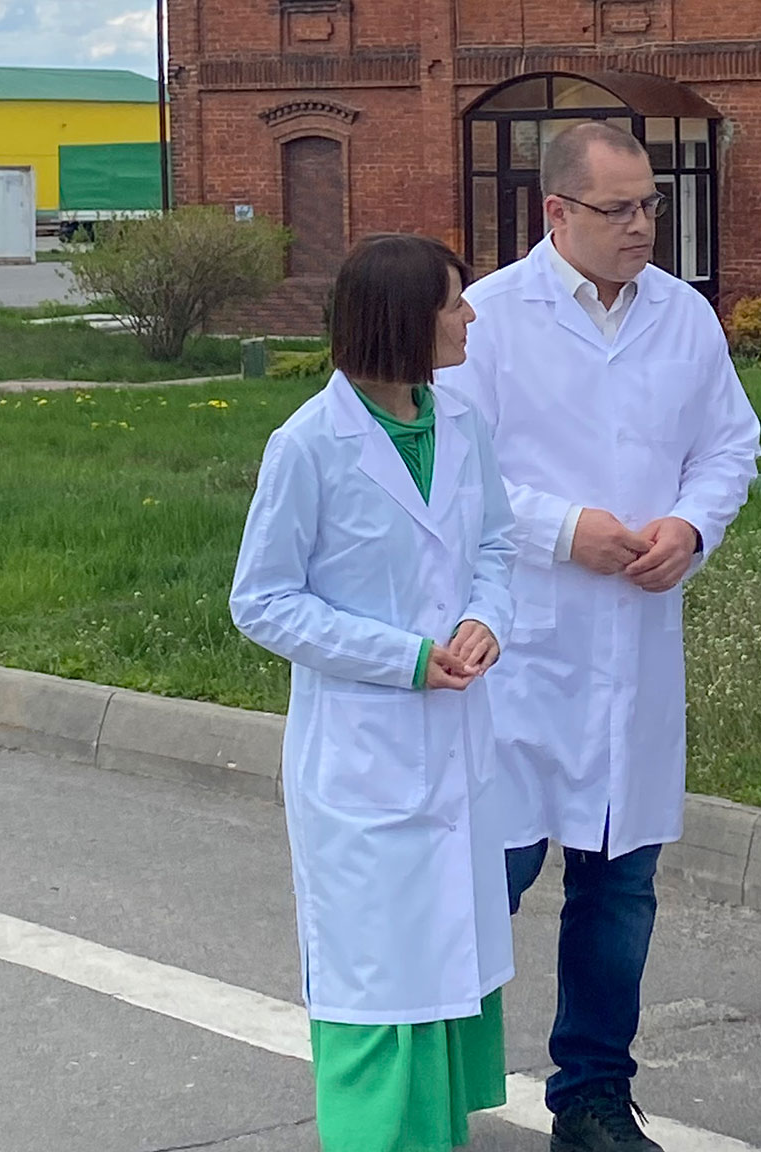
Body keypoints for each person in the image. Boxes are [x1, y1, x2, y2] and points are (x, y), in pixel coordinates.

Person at [438, 121, 761, 1152]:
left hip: (635, 641)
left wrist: (692, 525)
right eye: (618, 209)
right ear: (557, 212)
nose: (642, 226)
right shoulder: (491, 319)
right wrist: (562, 528)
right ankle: (423, 1081)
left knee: (619, 886)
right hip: (519, 646)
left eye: (651, 204)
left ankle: (592, 1099)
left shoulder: (682, 316)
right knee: (488, 876)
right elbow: (455, 469)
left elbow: (730, 445)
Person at [229, 233, 518, 1152]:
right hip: (363, 757)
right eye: (454, 304)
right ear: (403, 320)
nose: (470, 318)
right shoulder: (309, 445)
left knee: (445, 957)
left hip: (454, 742)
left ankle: (433, 1134)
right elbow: (263, 600)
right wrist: (402, 657)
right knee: (377, 979)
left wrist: (486, 618)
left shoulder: (461, 425)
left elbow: (497, 546)